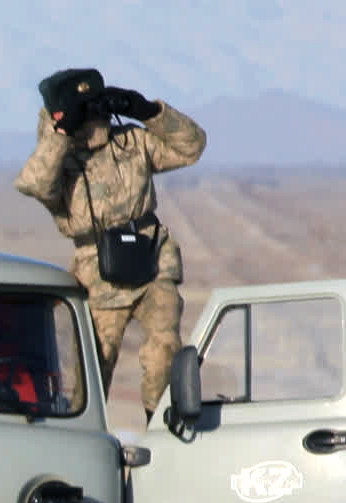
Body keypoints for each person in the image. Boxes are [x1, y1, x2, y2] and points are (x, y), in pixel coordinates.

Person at [14, 68, 206, 420]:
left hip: (150, 255)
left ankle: (161, 425)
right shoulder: (60, 158)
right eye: (84, 107)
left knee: (164, 351)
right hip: (98, 269)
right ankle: (85, 436)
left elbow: (192, 147)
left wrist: (149, 112)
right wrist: (62, 134)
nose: (95, 116)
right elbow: (35, 184)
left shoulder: (132, 141)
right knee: (93, 367)